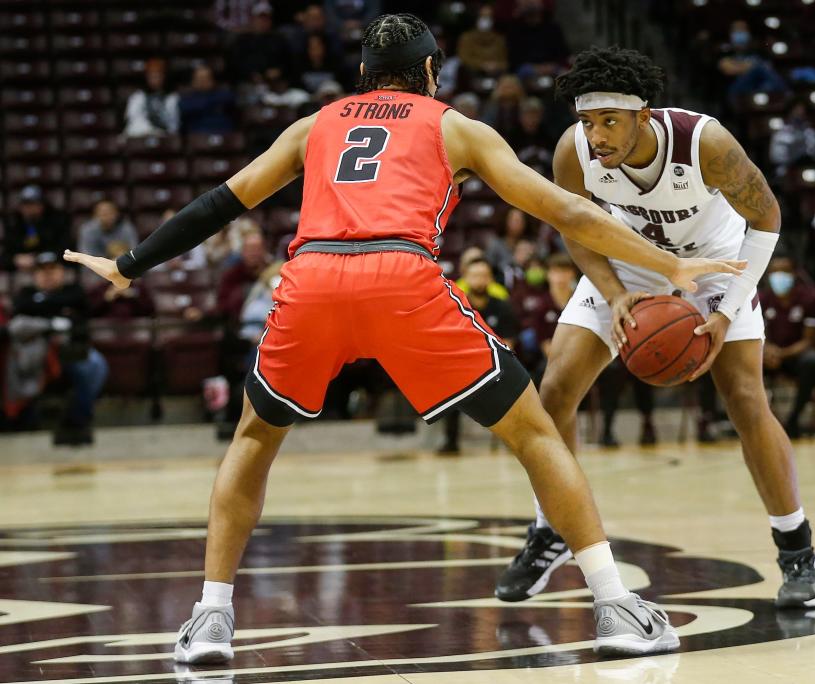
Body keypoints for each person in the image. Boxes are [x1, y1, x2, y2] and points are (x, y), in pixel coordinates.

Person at [65, 13, 742, 662]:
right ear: (428, 71)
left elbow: (224, 200)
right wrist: (669, 264)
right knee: (536, 431)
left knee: (253, 437)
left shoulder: (314, 124)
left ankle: (211, 618)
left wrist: (128, 266)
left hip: (312, 277)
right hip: (400, 276)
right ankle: (616, 605)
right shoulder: (456, 127)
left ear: (363, 71)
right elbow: (562, 208)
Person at [494, 46, 815, 612]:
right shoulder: (573, 152)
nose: (596, 135)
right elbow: (575, 227)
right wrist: (618, 291)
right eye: (587, 121)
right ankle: (551, 528)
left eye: (609, 122)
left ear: (643, 115)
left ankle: (797, 549)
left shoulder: (707, 144)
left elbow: (767, 221)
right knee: (553, 394)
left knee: (746, 399)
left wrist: (725, 312)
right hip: (626, 262)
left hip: (717, 264)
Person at [8, 253, 108, 445]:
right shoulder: (26, 294)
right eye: (42, 271)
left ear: (62, 272)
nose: (48, 275)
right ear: (34, 275)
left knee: (96, 365)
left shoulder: (74, 291)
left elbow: (82, 318)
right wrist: (55, 320)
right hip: (35, 353)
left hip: (70, 351)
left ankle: (75, 420)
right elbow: (19, 320)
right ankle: (22, 420)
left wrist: (42, 310)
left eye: (53, 269)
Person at [437, 258, 519, 455]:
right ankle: (451, 441)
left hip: (496, 364)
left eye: (483, 276)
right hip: (462, 364)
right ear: (466, 278)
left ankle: (514, 440)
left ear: (490, 279)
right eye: (475, 276)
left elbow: (508, 343)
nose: (479, 281)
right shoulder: (454, 307)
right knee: (448, 383)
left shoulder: (503, 307)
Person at [759, 255, 815, 437]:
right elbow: (754, 334)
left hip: (796, 357)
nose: (779, 276)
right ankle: (757, 422)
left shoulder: (811, 297)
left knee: (813, 361)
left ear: (795, 274)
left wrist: (782, 354)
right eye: (775, 272)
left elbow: (811, 340)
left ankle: (793, 420)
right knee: (744, 360)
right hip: (768, 357)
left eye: (784, 272)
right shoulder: (761, 299)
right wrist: (766, 350)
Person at [2, 186, 72, 272]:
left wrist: (38, 258)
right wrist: (15, 259)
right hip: (22, 270)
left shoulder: (56, 222)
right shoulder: (14, 225)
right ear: (20, 206)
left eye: (34, 203)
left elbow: (65, 250)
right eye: (26, 204)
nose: (30, 208)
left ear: (42, 205)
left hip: (50, 266)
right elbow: (5, 255)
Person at [123, 59, 179, 138]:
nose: (155, 79)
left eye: (157, 76)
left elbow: (173, 124)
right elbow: (132, 119)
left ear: (163, 77)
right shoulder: (138, 97)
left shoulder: (172, 98)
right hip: (141, 134)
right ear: (146, 77)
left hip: (163, 136)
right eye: (152, 76)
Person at [769, 99, 815, 179]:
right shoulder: (780, 134)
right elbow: (776, 158)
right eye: (796, 111)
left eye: (802, 112)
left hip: (808, 169)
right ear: (790, 113)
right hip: (786, 170)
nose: (799, 114)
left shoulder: (812, 133)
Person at [179, 65, 236, 135]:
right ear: (193, 81)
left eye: (206, 78)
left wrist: (206, 103)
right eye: (200, 79)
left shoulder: (222, 93)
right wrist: (211, 104)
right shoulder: (187, 97)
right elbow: (186, 108)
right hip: (199, 133)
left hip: (223, 130)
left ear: (212, 80)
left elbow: (230, 98)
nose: (203, 81)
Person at [456, 4, 508, 75]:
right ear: (477, 18)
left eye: (488, 17)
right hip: (472, 74)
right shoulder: (466, 38)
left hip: (495, 74)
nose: (485, 20)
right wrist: (482, 65)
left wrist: (495, 66)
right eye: (483, 17)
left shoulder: (499, 39)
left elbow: (504, 62)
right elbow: (463, 58)